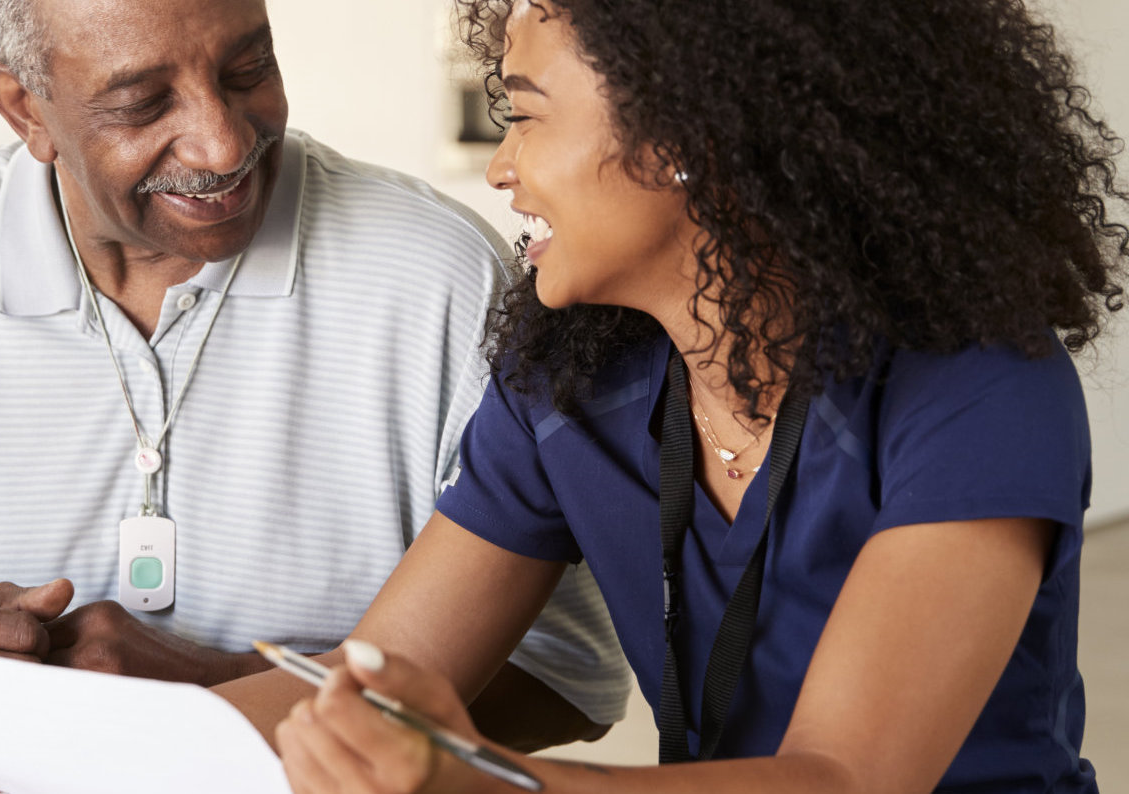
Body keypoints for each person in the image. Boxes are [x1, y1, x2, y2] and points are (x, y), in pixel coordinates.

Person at [0, 0, 634, 779]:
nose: (223, 140)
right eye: (143, 101)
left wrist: (212, 698)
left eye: (247, 70)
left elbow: (564, 673)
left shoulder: (439, 273)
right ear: (24, 107)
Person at [258, 0, 1122, 791]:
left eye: (523, 117)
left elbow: (843, 778)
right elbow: (366, 678)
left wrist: (476, 778)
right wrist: (137, 717)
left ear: (682, 139)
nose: (503, 169)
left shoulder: (979, 389)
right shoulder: (561, 384)